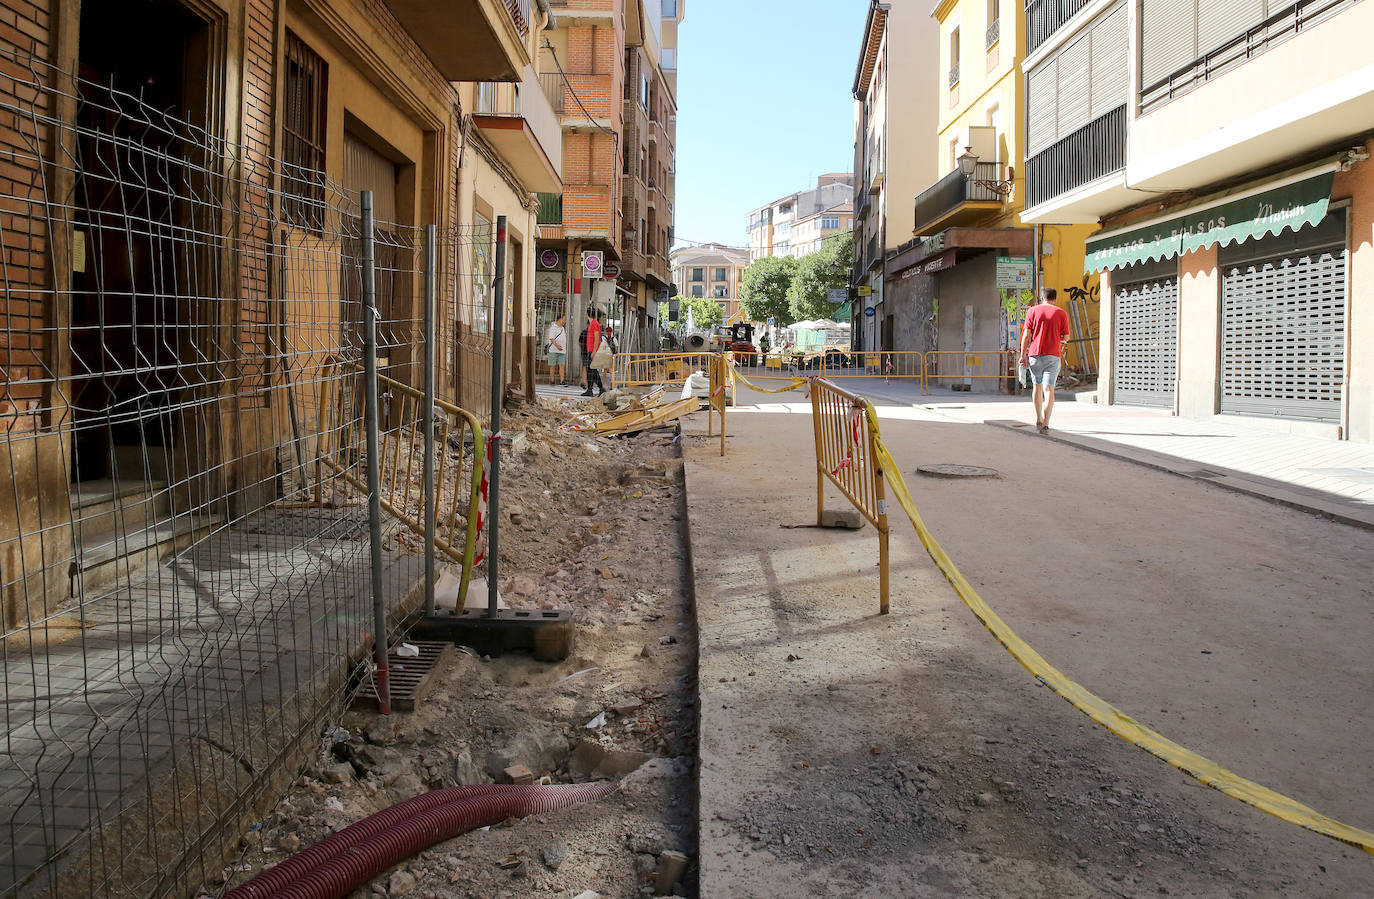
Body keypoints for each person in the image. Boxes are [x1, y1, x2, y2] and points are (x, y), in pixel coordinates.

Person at [1018, 286, 1071, 434]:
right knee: (1049, 389)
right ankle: (1046, 423)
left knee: (1037, 386)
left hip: (1035, 354)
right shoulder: (1061, 313)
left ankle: (1038, 418)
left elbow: (1026, 336)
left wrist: (1023, 355)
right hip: (1053, 355)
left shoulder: (1032, 311)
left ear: (1042, 298)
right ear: (1055, 299)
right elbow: (1066, 337)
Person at [581, 308, 605, 397]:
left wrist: (594, 351)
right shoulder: (593, 323)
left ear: (587, 314)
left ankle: (591, 390)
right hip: (591, 350)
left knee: (591, 371)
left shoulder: (594, 323)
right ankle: (600, 388)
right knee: (592, 371)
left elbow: (597, 337)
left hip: (592, 350)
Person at [545, 314, 567, 385]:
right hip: (553, 350)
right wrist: (557, 346)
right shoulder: (553, 328)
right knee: (552, 365)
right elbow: (552, 339)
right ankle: (552, 380)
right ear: (559, 319)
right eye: (563, 319)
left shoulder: (562, 328)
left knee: (562, 365)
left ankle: (562, 381)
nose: (564, 321)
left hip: (562, 350)